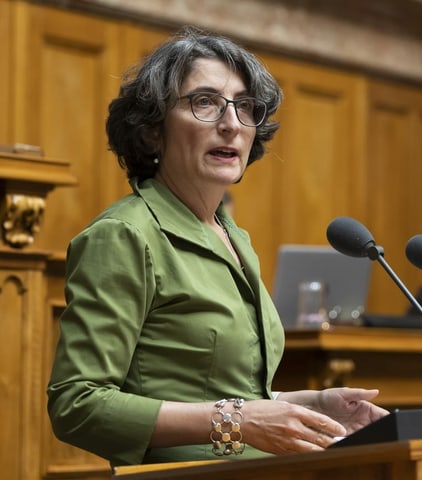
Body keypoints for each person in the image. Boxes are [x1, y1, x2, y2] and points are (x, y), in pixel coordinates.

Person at [47, 26, 388, 467]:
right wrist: (238, 422)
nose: (231, 123)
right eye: (204, 102)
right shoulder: (124, 235)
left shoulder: (232, 236)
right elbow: (77, 405)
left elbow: (218, 392)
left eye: (245, 106)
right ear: (152, 131)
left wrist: (312, 406)